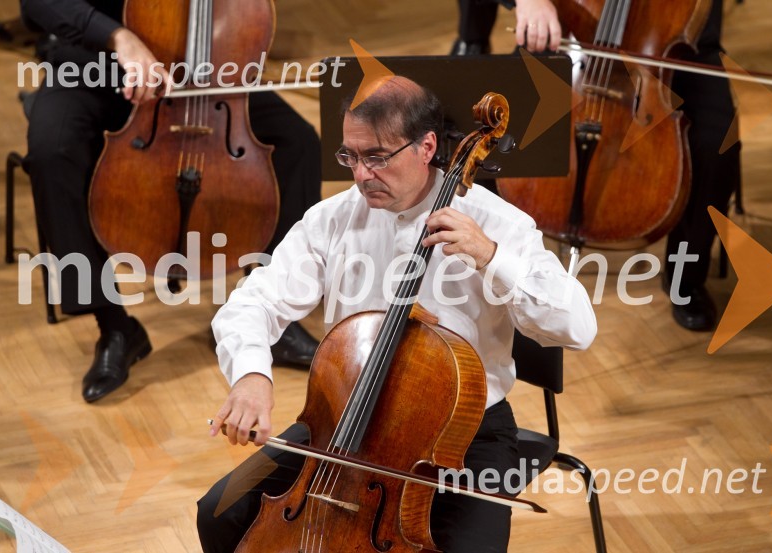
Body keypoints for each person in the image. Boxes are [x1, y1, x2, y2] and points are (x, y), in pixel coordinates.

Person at [197, 77, 597, 552]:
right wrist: (250, 375)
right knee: (221, 510)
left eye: (378, 157)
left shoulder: (496, 223)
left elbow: (578, 326)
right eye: (351, 156)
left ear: (427, 146)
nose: (362, 174)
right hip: (339, 421)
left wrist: (492, 257)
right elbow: (254, 299)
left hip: (463, 435)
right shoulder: (333, 219)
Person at [19, 0, 322, 403]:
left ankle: (271, 315)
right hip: (90, 62)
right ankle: (114, 326)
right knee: (51, 153)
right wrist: (118, 36)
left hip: (205, 68)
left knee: (298, 142)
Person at [451, 0, 741, 331]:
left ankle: (685, 279)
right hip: (569, 32)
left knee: (716, 144)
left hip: (668, 41)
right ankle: (486, 262)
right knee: (490, 127)